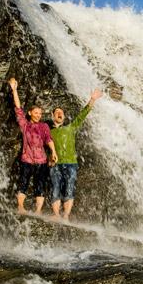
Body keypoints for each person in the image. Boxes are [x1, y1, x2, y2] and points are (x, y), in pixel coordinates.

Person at [49, 88, 103, 221]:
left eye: (62, 112)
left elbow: (82, 115)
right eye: (57, 112)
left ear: (64, 116)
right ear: (52, 116)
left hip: (71, 163)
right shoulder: (48, 131)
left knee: (69, 189)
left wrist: (93, 100)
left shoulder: (71, 128)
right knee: (55, 188)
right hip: (55, 163)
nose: (60, 114)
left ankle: (66, 215)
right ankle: (56, 215)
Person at [9, 78, 58, 215]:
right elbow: (18, 109)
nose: (39, 115)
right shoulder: (25, 125)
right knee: (23, 183)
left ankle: (38, 211)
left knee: (40, 185)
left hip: (41, 160)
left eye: (40, 113)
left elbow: (49, 140)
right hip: (27, 159)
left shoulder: (44, 126)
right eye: (36, 112)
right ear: (30, 113)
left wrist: (53, 152)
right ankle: (20, 207)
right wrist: (14, 90)